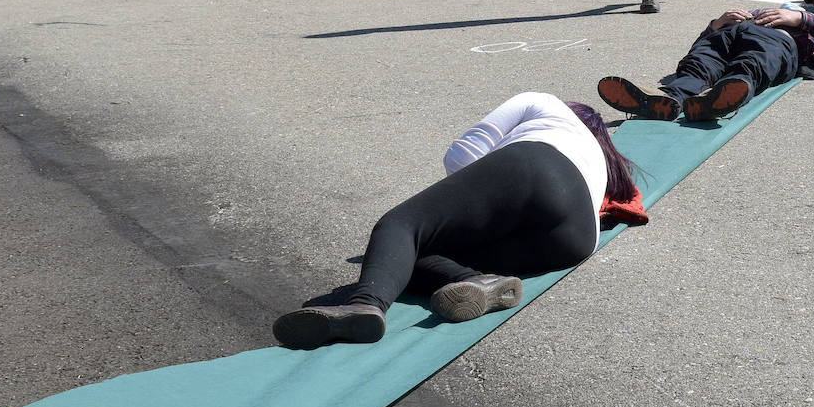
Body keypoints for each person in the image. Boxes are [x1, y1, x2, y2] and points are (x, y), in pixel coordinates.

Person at [272, 93, 644, 349]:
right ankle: (473, 281)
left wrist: (469, 206)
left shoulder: (545, 104)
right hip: (576, 237)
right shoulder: (598, 159)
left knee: (401, 227)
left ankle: (364, 305)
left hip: (535, 168)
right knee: (401, 259)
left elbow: (461, 155)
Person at [597, 4, 814, 123]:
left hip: (778, 40)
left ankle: (718, 99)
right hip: (730, 32)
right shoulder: (761, 9)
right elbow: (695, 49)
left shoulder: (812, 20)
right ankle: (669, 98)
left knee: (751, 64)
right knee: (698, 64)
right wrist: (715, 25)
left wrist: (801, 18)